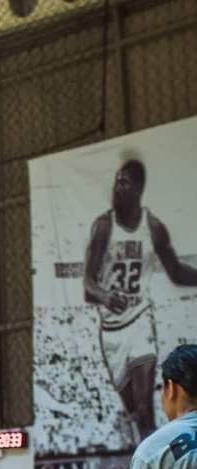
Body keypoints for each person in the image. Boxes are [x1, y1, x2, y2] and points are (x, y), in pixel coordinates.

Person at [84, 159, 197, 443]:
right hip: (111, 332)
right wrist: (106, 296)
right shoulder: (103, 227)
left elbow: (175, 271)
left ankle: (157, 466)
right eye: (116, 181)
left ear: (138, 189)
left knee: (145, 406)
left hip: (139, 322)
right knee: (134, 411)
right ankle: (143, 452)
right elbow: (87, 285)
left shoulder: (153, 228)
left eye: (123, 182)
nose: (116, 187)